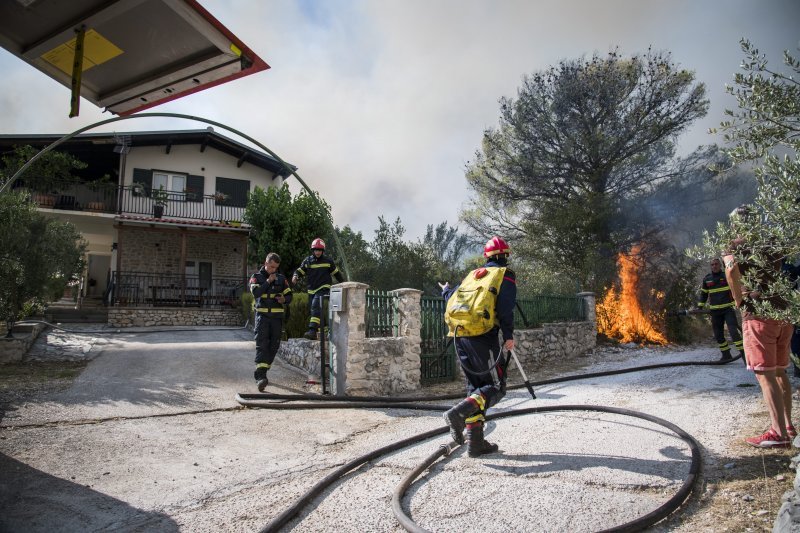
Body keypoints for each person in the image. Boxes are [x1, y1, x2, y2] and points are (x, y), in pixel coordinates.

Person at [439, 236, 517, 457]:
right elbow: (505, 309)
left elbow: (451, 297)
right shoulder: (505, 275)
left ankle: (475, 443)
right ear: (506, 256)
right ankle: (457, 413)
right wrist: (508, 335)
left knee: (475, 389)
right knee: (495, 386)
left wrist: (445, 289)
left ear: (486, 257)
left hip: (460, 336)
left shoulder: (473, 276)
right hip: (484, 337)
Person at [724, 233, 794, 448]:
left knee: (766, 374)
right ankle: (788, 426)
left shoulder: (733, 243)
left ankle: (778, 434)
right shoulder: (771, 239)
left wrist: (738, 300)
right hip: (784, 312)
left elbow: (731, 269)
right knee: (780, 371)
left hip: (758, 315)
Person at [249, 253, 293, 391]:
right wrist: (268, 281)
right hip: (262, 317)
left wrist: (284, 300)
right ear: (266, 263)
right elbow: (256, 293)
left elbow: (290, 295)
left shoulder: (281, 278)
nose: (273, 269)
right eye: (271, 266)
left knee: (274, 347)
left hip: (277, 318)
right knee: (262, 345)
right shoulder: (256, 277)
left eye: (276, 267)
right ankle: (261, 376)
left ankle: (262, 372)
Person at [292, 238, 344, 340]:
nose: (318, 252)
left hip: (324, 288)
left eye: (319, 250)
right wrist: (295, 276)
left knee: (315, 306)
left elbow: (337, 274)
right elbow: (300, 271)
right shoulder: (308, 261)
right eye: (316, 250)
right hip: (311, 290)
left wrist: (344, 283)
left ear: (323, 251)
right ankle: (324, 329)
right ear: (313, 250)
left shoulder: (328, 261)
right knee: (314, 311)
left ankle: (312, 331)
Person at [695, 258, 744, 361]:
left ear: (720, 265)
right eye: (712, 265)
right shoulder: (707, 279)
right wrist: (700, 306)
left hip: (728, 310)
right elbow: (704, 294)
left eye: (716, 264)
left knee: (734, 333)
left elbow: (735, 288)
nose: (714, 266)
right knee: (718, 335)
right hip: (715, 312)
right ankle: (726, 355)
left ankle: (745, 356)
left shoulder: (726, 276)